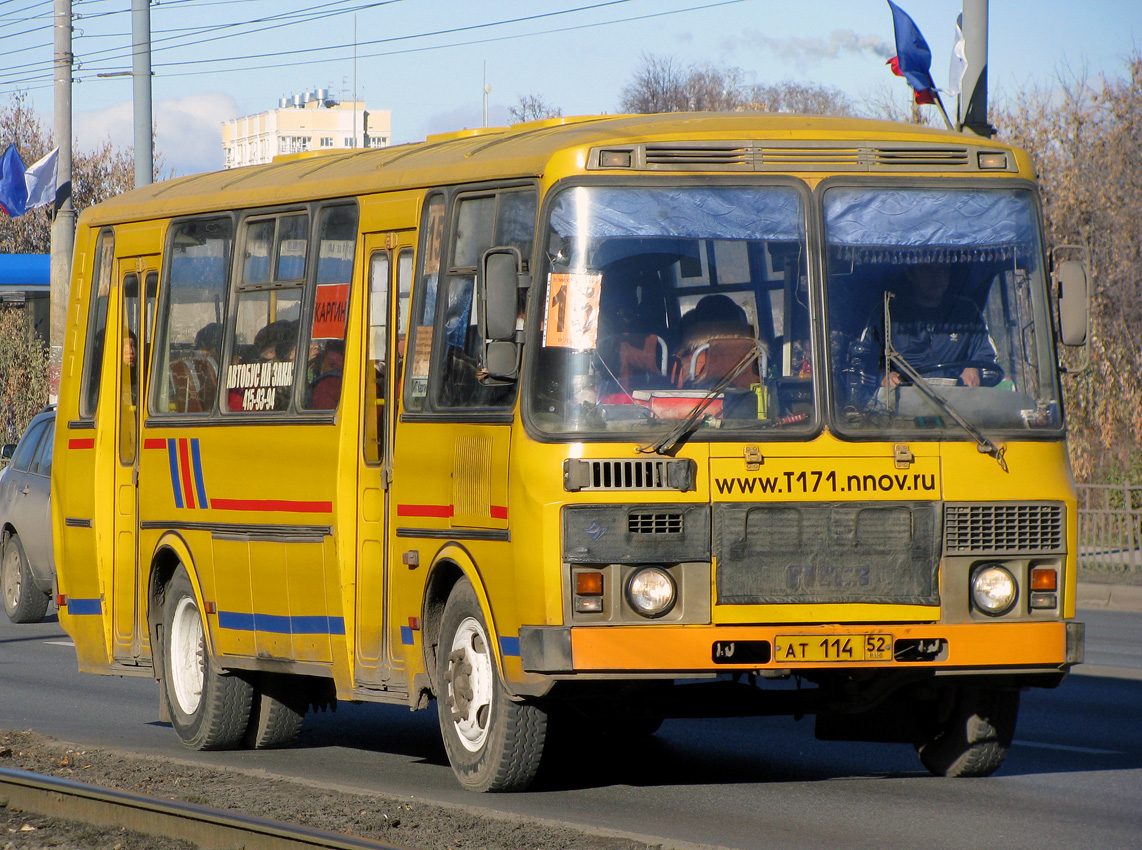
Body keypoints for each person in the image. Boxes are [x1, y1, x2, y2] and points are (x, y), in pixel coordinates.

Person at [849, 262, 1000, 400]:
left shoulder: (967, 313)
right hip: (896, 410)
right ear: (910, 275)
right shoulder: (887, 313)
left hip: (958, 409)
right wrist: (883, 376)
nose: (936, 278)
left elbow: (989, 362)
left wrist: (976, 369)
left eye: (942, 270)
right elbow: (861, 362)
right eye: (928, 270)